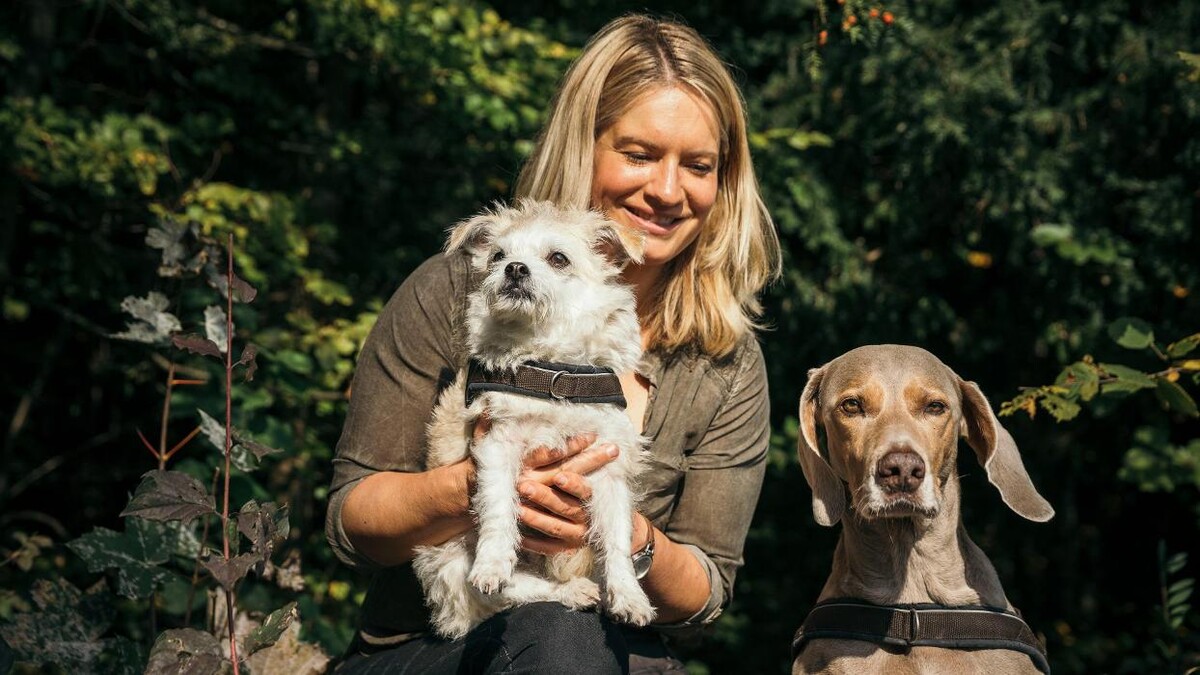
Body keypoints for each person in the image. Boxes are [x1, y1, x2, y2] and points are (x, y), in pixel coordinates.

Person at [326, 13, 781, 674]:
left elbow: (705, 598)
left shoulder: (725, 358)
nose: (667, 189)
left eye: (699, 166)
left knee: (572, 639)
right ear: (584, 146)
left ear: (723, 183)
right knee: (558, 639)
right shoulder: (460, 289)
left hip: (611, 652)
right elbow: (351, 521)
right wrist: (479, 487)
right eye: (640, 153)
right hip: (433, 650)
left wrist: (625, 535)